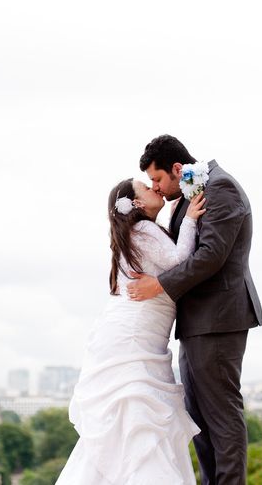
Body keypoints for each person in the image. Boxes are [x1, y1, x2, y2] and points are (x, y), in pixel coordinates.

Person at [127, 134, 262, 484]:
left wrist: (158, 285)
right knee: (200, 420)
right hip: (197, 322)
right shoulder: (191, 194)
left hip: (218, 320)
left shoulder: (221, 188)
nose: (156, 188)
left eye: (157, 179)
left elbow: (210, 256)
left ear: (177, 168)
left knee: (221, 416)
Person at [56, 178, 206, 484]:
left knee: (128, 425)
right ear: (135, 204)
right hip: (137, 337)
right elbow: (180, 261)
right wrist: (190, 220)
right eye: (147, 188)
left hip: (128, 333)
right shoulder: (144, 229)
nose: (156, 189)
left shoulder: (133, 234)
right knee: (141, 420)